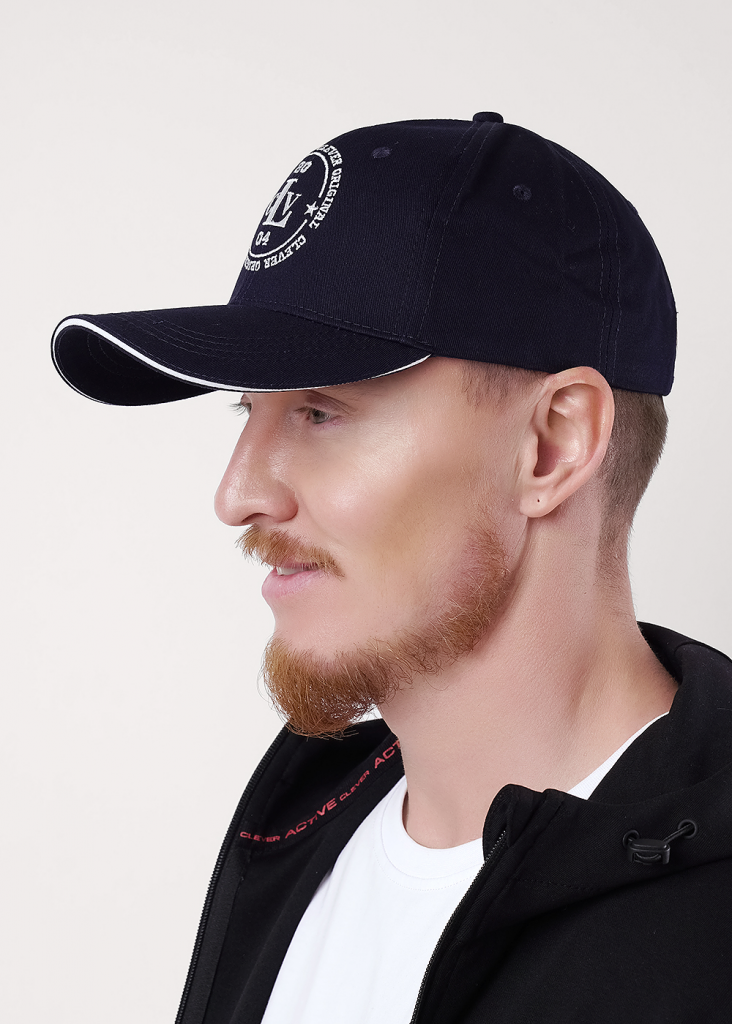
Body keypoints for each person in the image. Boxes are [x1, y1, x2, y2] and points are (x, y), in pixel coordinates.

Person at [51, 113, 732, 1023]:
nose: (238, 495)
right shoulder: (296, 827)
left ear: (553, 445)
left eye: (320, 412)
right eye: (248, 412)